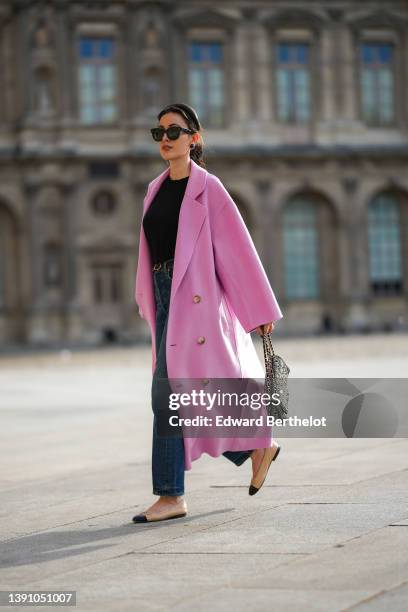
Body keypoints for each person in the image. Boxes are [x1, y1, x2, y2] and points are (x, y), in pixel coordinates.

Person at [133, 103, 283, 523]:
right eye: (158, 132)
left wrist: (257, 310)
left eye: (174, 132)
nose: (165, 139)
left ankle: (170, 495)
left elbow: (237, 251)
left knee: (166, 396)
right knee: (177, 397)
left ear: (193, 139)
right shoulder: (154, 189)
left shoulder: (209, 188)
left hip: (196, 300)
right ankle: (253, 448)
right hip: (166, 297)